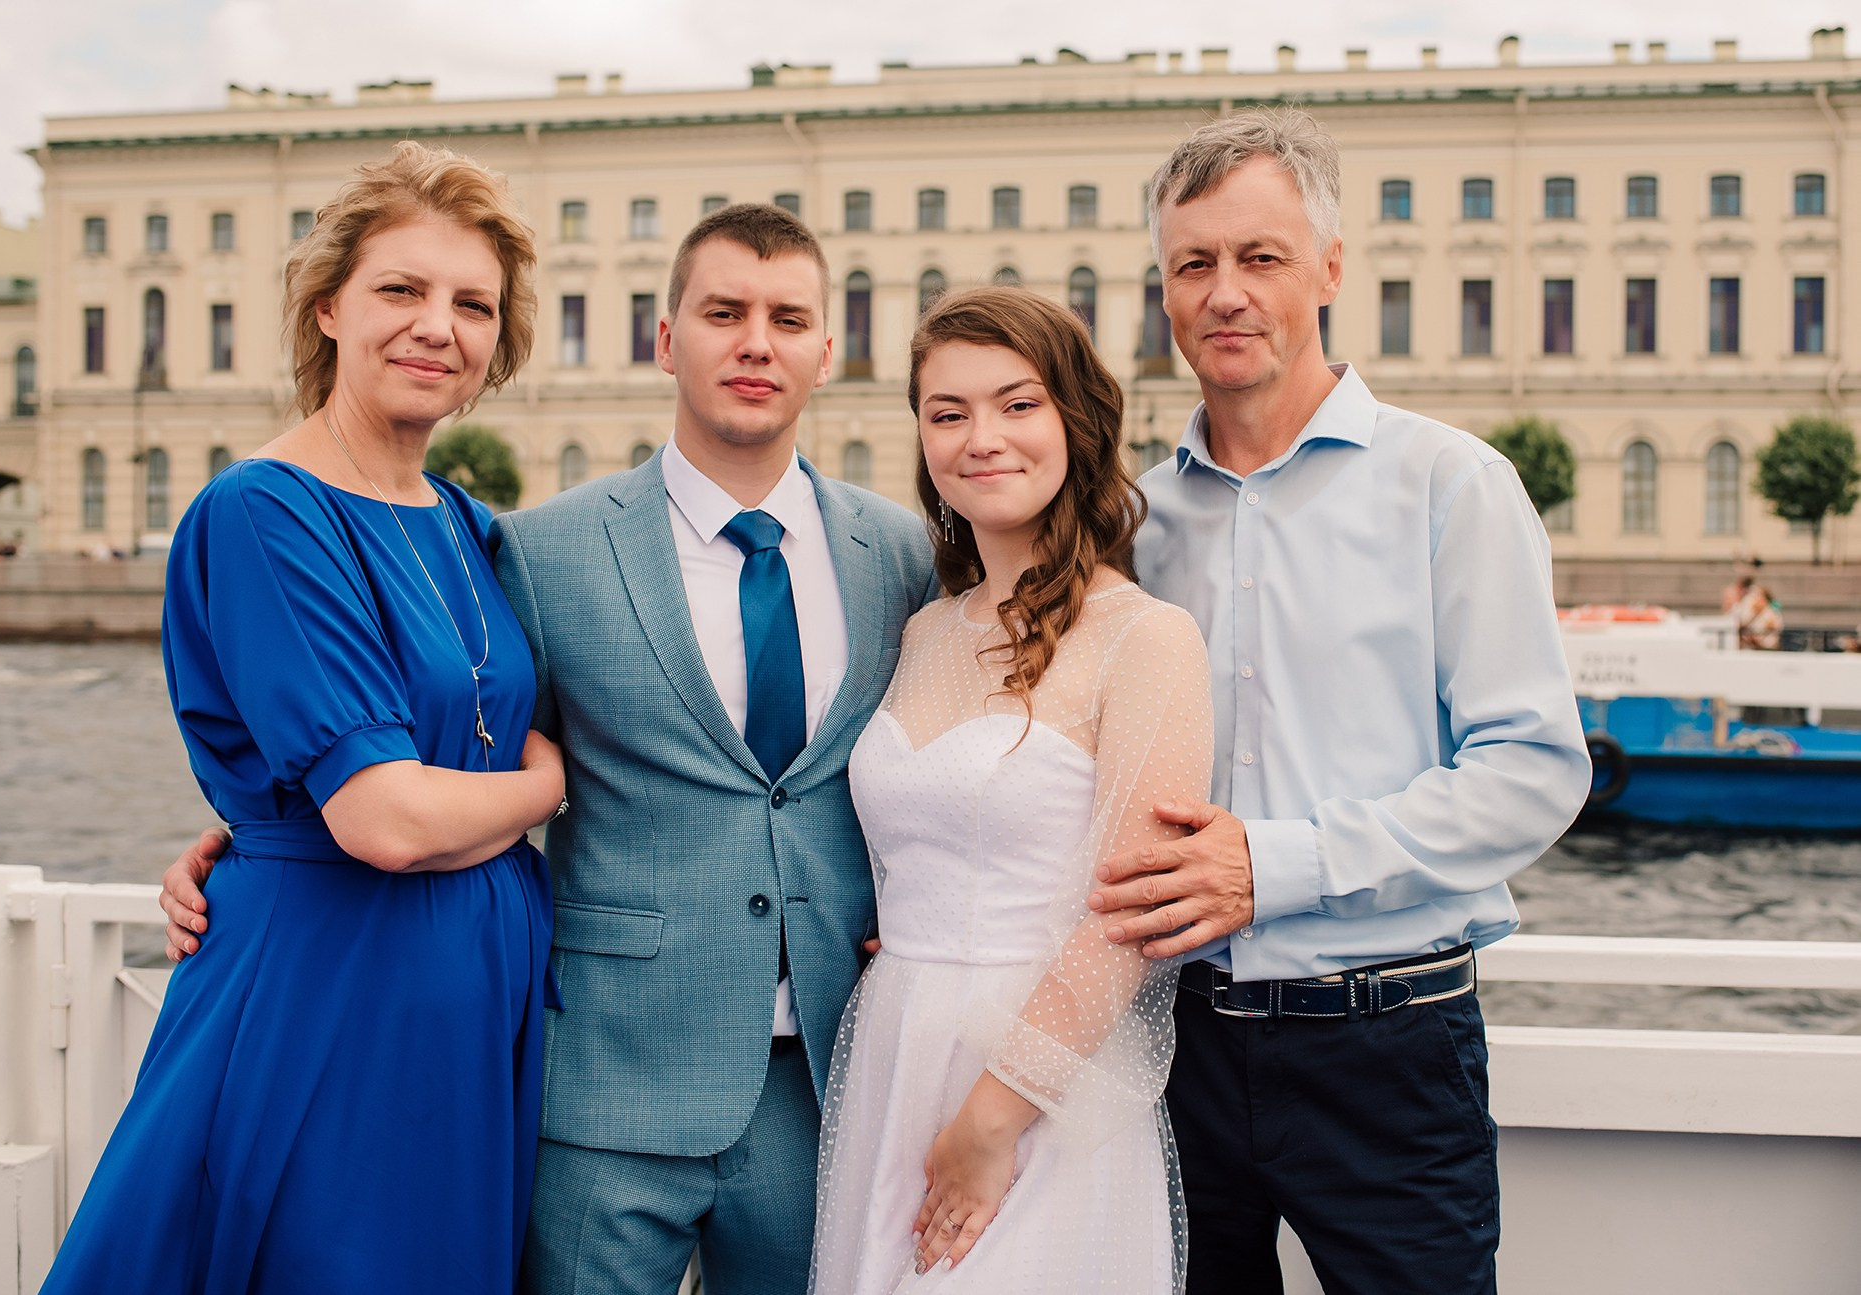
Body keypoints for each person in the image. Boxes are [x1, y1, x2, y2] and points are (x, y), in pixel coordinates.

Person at [164, 202, 935, 1295]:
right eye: (721, 312)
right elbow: (432, 731)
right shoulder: (536, 546)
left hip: (825, 1068)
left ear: (824, 347)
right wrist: (238, 835)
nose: (753, 341)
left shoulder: (900, 553)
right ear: (666, 339)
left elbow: (953, 765)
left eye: (785, 318)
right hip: (601, 1074)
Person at [1087, 108, 1591, 1293]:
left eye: (1257, 257)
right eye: (1191, 264)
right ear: (1161, 290)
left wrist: (1277, 863)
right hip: (1174, 1046)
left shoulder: (1450, 485)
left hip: (1389, 1049)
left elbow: (1530, 769)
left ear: (1326, 267)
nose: (1224, 292)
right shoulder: (1135, 524)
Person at [46, 142, 565, 1293]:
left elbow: (432, 751)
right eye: (401, 289)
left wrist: (258, 820)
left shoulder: (470, 523)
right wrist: (547, 786)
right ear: (328, 305)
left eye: (471, 303)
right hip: (331, 986)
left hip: (472, 996)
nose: (438, 325)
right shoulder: (262, 513)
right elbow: (381, 817)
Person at [809, 287, 1215, 1294]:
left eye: (1016, 404)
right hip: (895, 1049)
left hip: (1038, 1075)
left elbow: (1125, 917)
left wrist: (993, 1115)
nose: (979, 437)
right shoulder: (924, 630)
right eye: (947, 413)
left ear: (1075, 422)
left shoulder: (1144, 638)